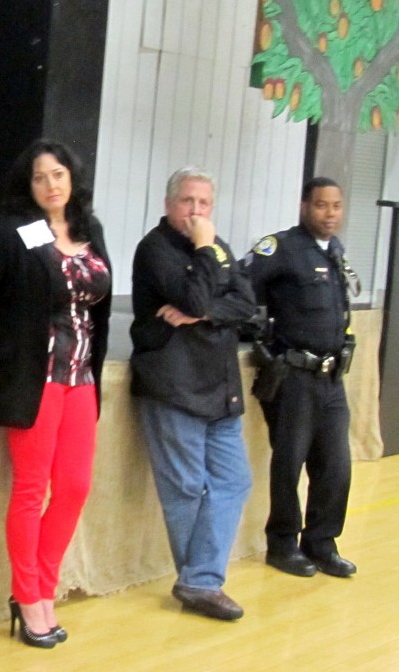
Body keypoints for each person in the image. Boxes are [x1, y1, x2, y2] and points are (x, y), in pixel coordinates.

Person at [0, 140, 111, 648]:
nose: (51, 185)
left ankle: (44, 586)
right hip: (33, 376)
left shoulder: (89, 230)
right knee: (32, 489)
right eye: (40, 178)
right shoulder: (10, 231)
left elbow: (96, 301)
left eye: (59, 174)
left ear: (72, 179)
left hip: (82, 379)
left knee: (75, 488)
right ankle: (29, 597)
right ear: (28, 186)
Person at [129, 166, 254, 621]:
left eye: (204, 204)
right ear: (168, 205)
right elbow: (195, 298)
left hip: (220, 388)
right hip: (173, 384)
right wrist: (204, 253)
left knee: (235, 480)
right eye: (188, 202)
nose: (196, 211)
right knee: (184, 488)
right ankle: (202, 583)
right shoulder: (154, 249)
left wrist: (203, 313)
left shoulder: (219, 249)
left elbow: (245, 304)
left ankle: (199, 579)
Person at [241, 177, 358, 578]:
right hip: (294, 375)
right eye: (322, 206)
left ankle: (321, 542)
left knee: (336, 464)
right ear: (304, 206)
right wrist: (252, 331)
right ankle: (283, 542)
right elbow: (241, 282)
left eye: (337, 206)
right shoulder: (281, 248)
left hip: (331, 377)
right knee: (289, 462)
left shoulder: (336, 250)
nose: (330, 214)